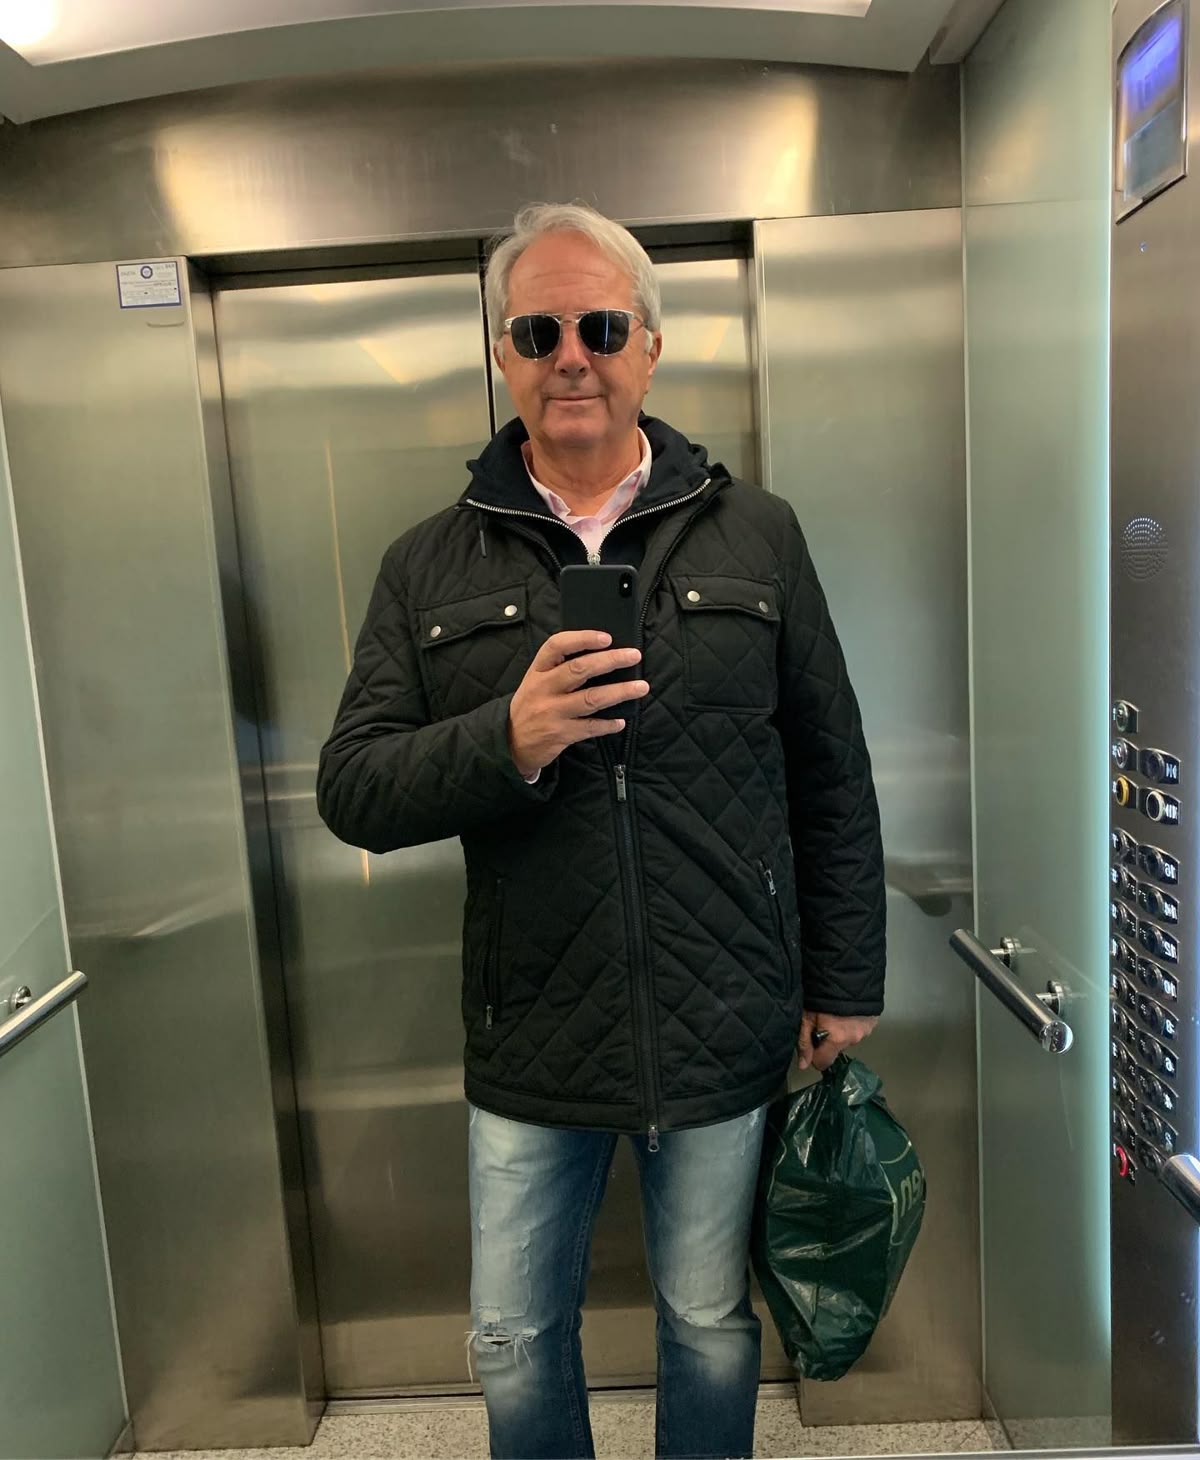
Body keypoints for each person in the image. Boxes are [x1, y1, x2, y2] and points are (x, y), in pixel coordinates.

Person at [316, 201, 886, 1460]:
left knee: (709, 1322)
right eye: (538, 331)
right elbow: (351, 787)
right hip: (533, 1025)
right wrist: (507, 739)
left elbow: (830, 768)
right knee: (515, 1337)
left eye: (601, 326)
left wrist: (846, 978)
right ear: (503, 357)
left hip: (724, 1011)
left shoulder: (759, 533)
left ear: (651, 346)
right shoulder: (427, 564)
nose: (570, 354)